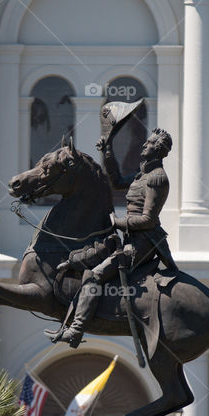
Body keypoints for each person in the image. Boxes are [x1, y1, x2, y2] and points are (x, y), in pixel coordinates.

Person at [49, 127, 177, 348]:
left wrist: (116, 222)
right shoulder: (142, 174)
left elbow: (148, 220)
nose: (144, 145)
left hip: (143, 243)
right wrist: (108, 152)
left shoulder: (157, 178)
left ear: (158, 149)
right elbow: (116, 181)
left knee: (95, 275)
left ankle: (76, 330)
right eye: (145, 142)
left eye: (149, 143)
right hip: (129, 237)